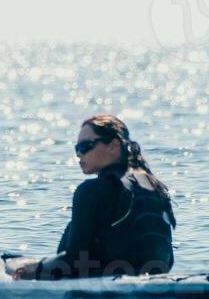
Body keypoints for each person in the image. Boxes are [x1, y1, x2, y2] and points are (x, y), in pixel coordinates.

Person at [11, 113, 175, 280]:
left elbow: (74, 261)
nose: (79, 154)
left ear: (113, 145)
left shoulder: (91, 190)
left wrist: (37, 268)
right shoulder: (156, 187)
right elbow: (167, 259)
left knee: (71, 230)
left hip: (107, 279)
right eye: (77, 149)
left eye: (85, 146)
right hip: (156, 277)